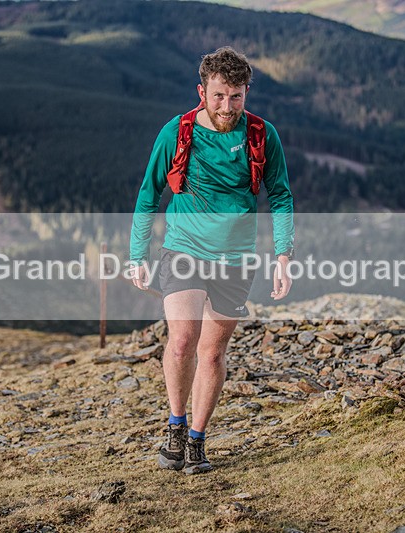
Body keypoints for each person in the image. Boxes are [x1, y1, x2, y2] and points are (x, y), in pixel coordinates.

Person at [129, 46, 294, 474]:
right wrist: (137, 255)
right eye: (218, 95)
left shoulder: (262, 134)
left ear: (245, 92)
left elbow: (280, 195)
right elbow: (149, 194)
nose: (227, 106)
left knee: (213, 353)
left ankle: (198, 440)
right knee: (182, 340)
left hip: (237, 259)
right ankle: (176, 425)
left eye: (236, 96)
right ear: (201, 91)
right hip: (183, 249)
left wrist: (283, 256)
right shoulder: (177, 132)